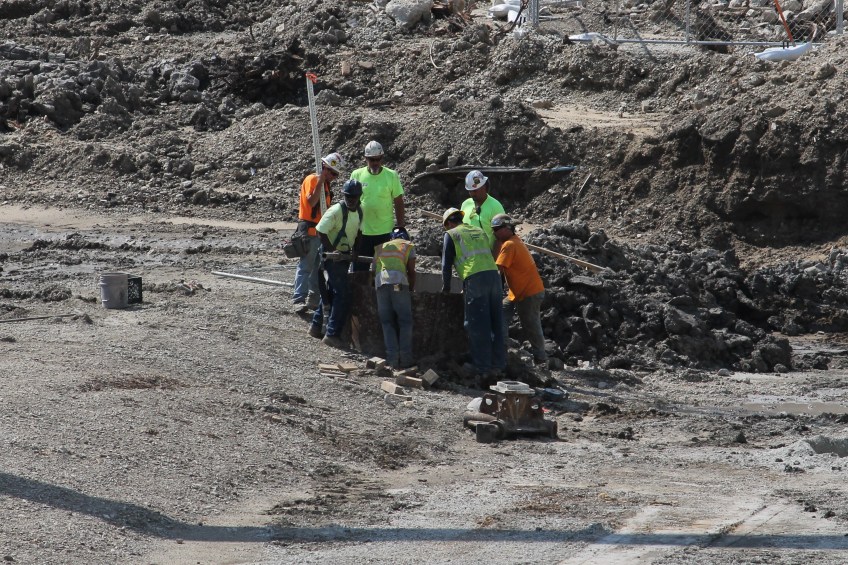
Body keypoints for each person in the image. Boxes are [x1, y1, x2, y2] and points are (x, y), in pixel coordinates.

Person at [441, 207, 506, 379]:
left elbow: (446, 265)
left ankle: (482, 368)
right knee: (496, 322)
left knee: (477, 323)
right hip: (494, 276)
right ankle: (499, 365)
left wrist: (446, 287)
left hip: (474, 278)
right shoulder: (479, 231)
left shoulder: (451, 234)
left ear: (448, 223)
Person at [309, 179, 363, 349]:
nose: (351, 199)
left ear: (359, 196)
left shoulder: (359, 212)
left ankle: (316, 326)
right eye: (348, 196)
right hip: (331, 256)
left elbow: (358, 232)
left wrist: (355, 251)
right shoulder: (336, 210)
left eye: (354, 197)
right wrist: (333, 251)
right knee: (342, 294)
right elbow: (320, 231)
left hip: (344, 255)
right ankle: (332, 334)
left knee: (332, 292)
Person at [491, 213, 548, 364]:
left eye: (497, 229)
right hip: (517, 292)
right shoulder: (512, 242)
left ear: (507, 228)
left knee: (530, 324)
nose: (494, 233)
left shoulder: (510, 245)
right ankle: (501, 348)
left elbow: (498, 270)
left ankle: (541, 358)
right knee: (501, 312)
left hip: (529, 292)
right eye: (493, 229)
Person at [291, 152, 344, 315]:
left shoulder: (325, 185)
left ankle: (313, 301)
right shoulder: (313, 180)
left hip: (320, 232)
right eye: (332, 173)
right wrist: (321, 180)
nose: (334, 177)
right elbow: (311, 202)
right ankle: (298, 299)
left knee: (317, 268)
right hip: (310, 231)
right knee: (306, 266)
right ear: (325, 168)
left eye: (336, 174)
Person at [349, 140, 406, 271]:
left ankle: (379, 292)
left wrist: (401, 226)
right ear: (365, 158)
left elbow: (398, 201)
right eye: (371, 159)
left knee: (384, 271)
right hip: (362, 232)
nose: (375, 163)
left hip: (385, 232)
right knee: (359, 271)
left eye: (378, 159)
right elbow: (351, 202)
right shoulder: (356, 175)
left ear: (382, 158)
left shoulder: (391, 175)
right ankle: (361, 292)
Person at [373, 227, 416, 369]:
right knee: (405, 321)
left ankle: (392, 359)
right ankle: (405, 359)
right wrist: (411, 289)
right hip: (398, 284)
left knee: (387, 322)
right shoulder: (408, 246)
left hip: (381, 284)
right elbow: (411, 272)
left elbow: (373, 269)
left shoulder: (380, 247)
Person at [460, 170, 505, 249]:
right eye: (470, 191)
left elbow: (501, 238)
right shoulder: (465, 204)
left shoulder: (495, 207)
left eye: (475, 191)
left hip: (486, 257)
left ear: (484, 187)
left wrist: (493, 260)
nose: (472, 194)